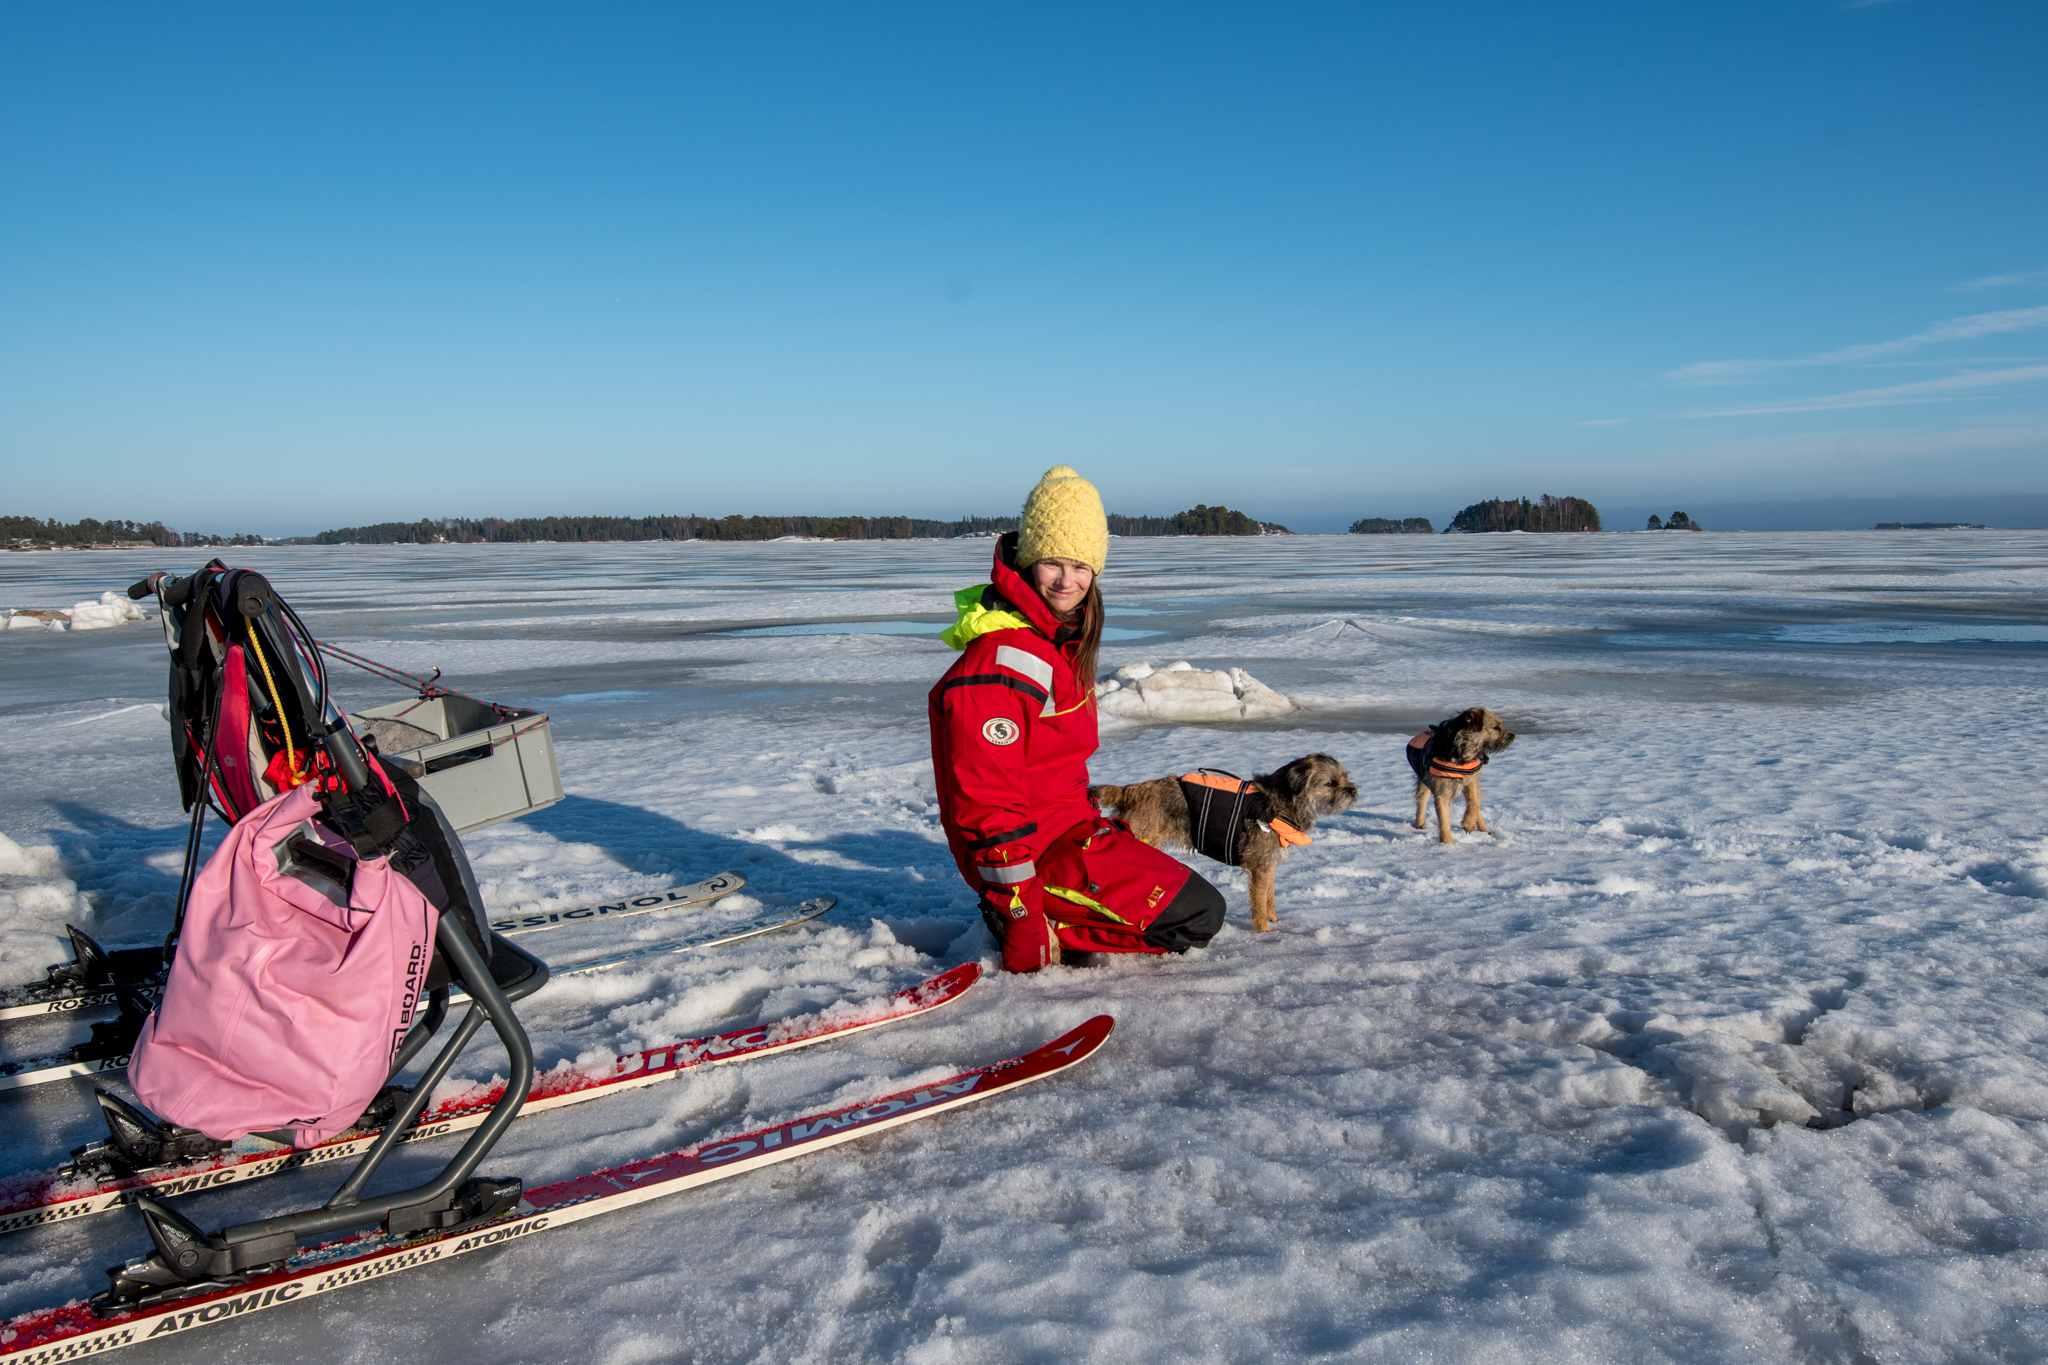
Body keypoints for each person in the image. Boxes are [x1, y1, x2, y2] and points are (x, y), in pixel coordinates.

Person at [927, 465, 1226, 972]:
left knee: (1199, 904)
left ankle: (1068, 910)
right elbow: (987, 807)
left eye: (1082, 567)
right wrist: (1020, 915)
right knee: (1197, 917)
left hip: (1070, 830)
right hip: (1029, 857)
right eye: (1053, 564)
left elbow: (1057, 766)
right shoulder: (1000, 662)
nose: (1068, 581)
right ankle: (1043, 919)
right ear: (1028, 563)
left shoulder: (1059, 643)